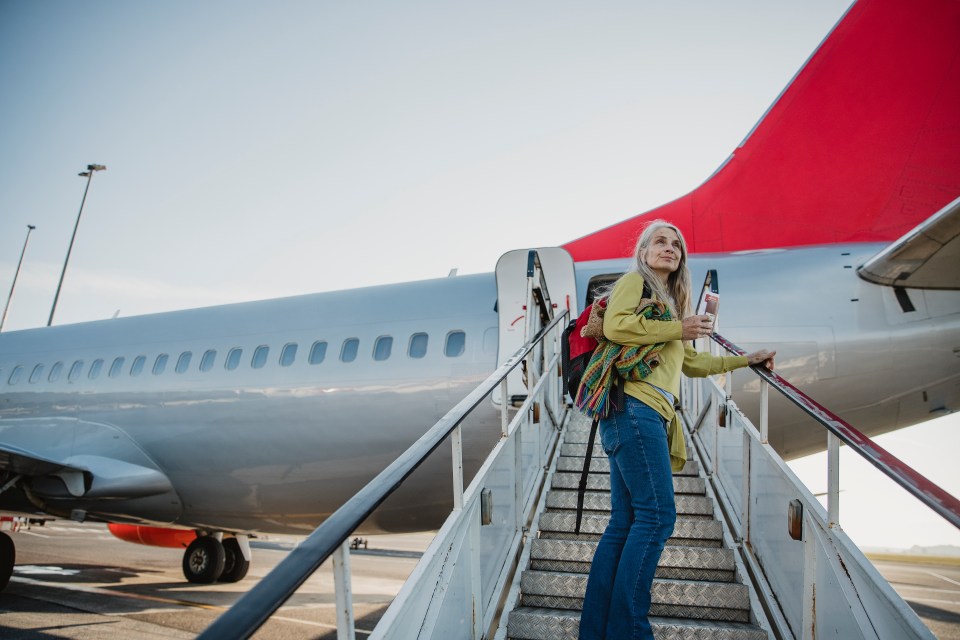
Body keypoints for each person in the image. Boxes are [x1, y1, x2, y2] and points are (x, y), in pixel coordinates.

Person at [577, 220, 775, 640]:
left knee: (625, 521)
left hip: (637, 414)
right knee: (658, 516)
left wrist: (745, 360)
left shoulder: (670, 303)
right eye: (660, 242)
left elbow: (692, 363)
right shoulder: (635, 282)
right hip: (635, 408)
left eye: (676, 244)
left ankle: (597, 632)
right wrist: (677, 328)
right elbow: (615, 326)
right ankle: (629, 630)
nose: (669, 248)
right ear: (644, 251)